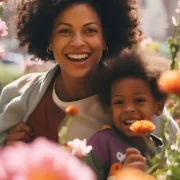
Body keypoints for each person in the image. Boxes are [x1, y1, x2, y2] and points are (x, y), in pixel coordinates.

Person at [0, 0, 178, 146]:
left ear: (105, 39)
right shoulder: (18, 94)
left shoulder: (137, 95)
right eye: (65, 31)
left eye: (90, 31)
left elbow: (174, 156)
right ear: (49, 41)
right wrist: (8, 151)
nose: (78, 42)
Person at [84, 49, 168, 180]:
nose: (128, 109)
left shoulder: (166, 153)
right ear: (110, 110)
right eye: (119, 102)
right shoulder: (102, 144)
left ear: (158, 106)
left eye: (139, 100)